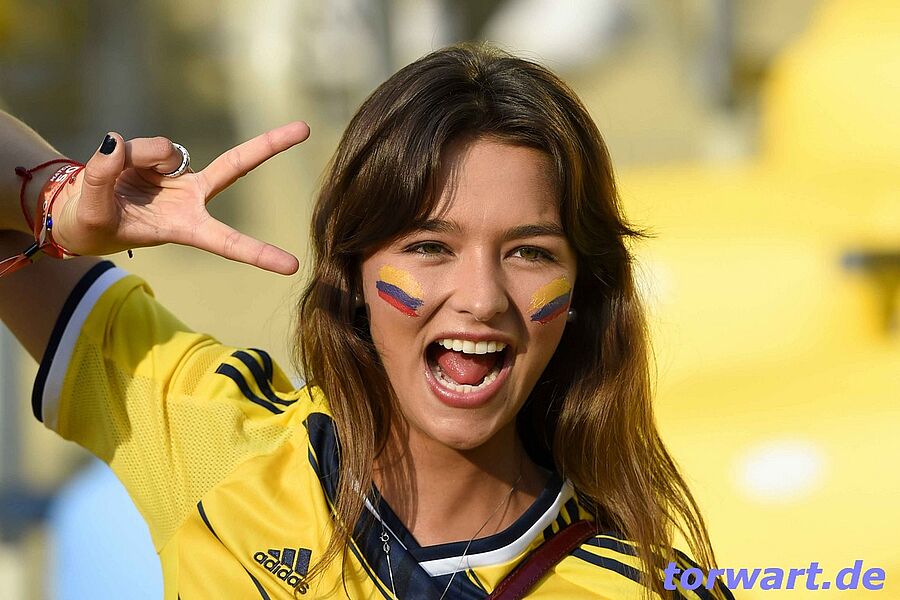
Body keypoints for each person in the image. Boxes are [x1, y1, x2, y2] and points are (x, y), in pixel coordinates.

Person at [0, 44, 733, 599]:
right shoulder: (218, 436)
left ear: (580, 293)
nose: (482, 298)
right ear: (351, 270)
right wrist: (55, 202)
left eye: (530, 252)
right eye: (430, 246)